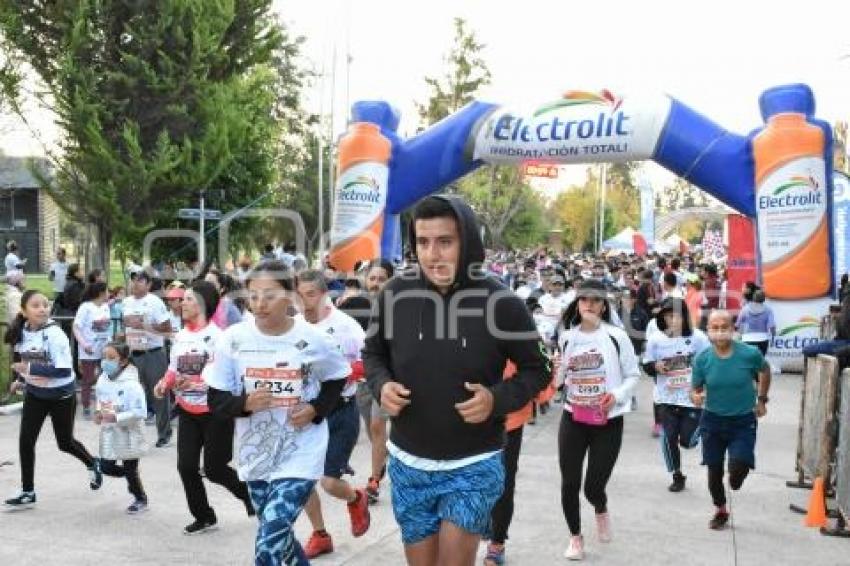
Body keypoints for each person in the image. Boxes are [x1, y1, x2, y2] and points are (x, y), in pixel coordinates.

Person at [363, 195, 550, 566]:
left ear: (467, 242)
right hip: (408, 461)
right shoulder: (394, 294)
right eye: (423, 242)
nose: (433, 254)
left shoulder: (502, 303)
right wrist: (382, 384)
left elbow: (538, 369)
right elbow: (373, 355)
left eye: (445, 242)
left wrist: (496, 399)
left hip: (474, 462)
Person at [206, 260, 350, 565]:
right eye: (253, 295)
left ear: (290, 295)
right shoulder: (232, 339)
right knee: (279, 537)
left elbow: (338, 378)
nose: (259, 304)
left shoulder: (315, 339)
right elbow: (216, 399)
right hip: (256, 453)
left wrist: (315, 408)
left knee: (269, 541)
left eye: (269, 295)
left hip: (301, 450)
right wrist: (243, 404)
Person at [154, 280, 253, 534]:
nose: (181, 303)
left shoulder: (219, 338)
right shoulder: (181, 336)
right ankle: (205, 516)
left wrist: (195, 381)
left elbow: (226, 379)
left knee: (215, 469)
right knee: (186, 467)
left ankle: (249, 494)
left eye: (187, 299)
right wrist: (164, 383)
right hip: (188, 410)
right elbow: (174, 368)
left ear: (202, 304)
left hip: (215, 412)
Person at [557, 278, 640, 561]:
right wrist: (557, 371)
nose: (589, 305)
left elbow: (633, 375)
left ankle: (600, 509)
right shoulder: (567, 337)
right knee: (569, 482)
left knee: (593, 486)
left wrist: (616, 396)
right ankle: (575, 538)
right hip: (573, 416)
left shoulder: (617, 336)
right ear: (577, 304)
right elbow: (560, 382)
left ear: (604, 306)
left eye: (595, 301)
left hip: (608, 420)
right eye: (584, 300)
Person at [295, 270, 371, 558]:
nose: (305, 302)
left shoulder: (346, 326)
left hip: (341, 411)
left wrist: (341, 374)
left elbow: (369, 362)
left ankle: (356, 497)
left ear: (325, 294)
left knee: (328, 482)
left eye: (311, 295)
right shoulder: (294, 326)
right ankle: (320, 534)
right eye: (300, 295)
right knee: (302, 480)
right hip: (307, 413)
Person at [4, 290, 102, 509]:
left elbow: (63, 370)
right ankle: (28, 492)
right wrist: (21, 379)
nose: (42, 309)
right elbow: (29, 359)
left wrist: (27, 368)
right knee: (25, 441)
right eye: (35, 305)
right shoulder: (23, 331)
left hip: (61, 396)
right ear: (24, 311)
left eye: (45, 305)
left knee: (65, 443)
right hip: (36, 394)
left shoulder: (55, 334)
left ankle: (92, 462)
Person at [691, 310, 771, 530]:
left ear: (733, 329)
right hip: (712, 422)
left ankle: (736, 477)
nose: (720, 332)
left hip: (743, 421)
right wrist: (696, 396)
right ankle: (720, 510)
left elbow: (765, 370)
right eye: (714, 327)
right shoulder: (702, 359)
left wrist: (762, 399)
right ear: (707, 332)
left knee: (738, 469)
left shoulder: (749, 354)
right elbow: (695, 389)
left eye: (724, 327)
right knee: (714, 472)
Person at [642, 298, 711, 492]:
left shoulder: (698, 338)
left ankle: (704, 427)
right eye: (668, 316)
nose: (672, 320)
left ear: (685, 317)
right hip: (666, 398)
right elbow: (647, 364)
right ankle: (677, 475)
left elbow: (709, 362)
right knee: (668, 437)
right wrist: (655, 366)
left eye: (677, 316)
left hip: (691, 397)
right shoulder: (656, 339)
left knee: (687, 442)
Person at [353, 259, 395, 505]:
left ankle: (373, 481)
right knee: (371, 429)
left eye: (382, 279)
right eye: (373, 279)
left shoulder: (399, 307)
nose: (376, 283)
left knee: (378, 426)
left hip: (387, 377)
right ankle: (383, 461)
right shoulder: (354, 308)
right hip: (362, 379)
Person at [94, 342, 149, 514]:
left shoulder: (132, 385)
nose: (106, 362)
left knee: (130, 467)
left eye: (111, 358)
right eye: (104, 357)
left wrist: (116, 417)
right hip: (111, 430)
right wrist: (100, 412)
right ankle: (129, 474)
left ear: (123, 361)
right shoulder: (103, 379)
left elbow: (140, 412)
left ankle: (140, 498)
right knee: (106, 466)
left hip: (130, 432)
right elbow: (102, 400)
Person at [122, 270, 173, 447]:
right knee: (132, 395)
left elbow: (167, 328)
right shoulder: (126, 302)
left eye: (140, 281)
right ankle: (133, 435)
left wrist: (144, 325)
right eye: (133, 280)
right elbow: (125, 326)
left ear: (149, 284)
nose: (135, 283)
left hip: (153, 353)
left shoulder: (155, 302)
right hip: (133, 354)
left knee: (158, 394)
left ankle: (164, 433)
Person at [72, 281, 112, 418]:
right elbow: (76, 327)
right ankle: (86, 406)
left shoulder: (106, 307)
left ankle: (105, 408)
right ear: (101, 293)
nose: (109, 294)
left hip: (104, 350)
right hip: (89, 350)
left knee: (106, 378)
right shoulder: (85, 307)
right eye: (107, 291)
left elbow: (107, 327)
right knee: (88, 379)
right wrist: (84, 344)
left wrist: (110, 344)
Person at [735, 290, 775, 356]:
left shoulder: (745, 309)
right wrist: (773, 338)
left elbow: (738, 324)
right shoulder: (768, 310)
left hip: (747, 339)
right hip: (763, 339)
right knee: (760, 361)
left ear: (753, 298)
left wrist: (737, 334)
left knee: (748, 361)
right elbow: (772, 326)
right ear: (764, 299)